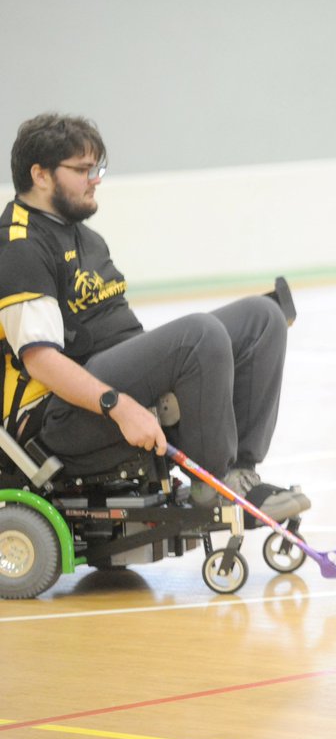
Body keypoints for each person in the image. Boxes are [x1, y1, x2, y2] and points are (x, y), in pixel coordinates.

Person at [0, 113, 308, 520]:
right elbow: (41, 361)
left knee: (262, 317)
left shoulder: (85, 237)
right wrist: (118, 405)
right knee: (200, 335)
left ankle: (240, 473)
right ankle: (214, 484)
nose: (95, 180)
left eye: (97, 169)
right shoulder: (20, 246)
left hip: (104, 380)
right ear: (40, 175)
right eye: (83, 170)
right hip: (55, 418)